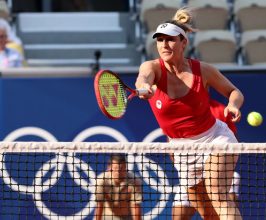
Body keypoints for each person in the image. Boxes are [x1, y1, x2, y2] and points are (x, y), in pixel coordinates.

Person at [135, 6, 244, 220]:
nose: (164, 45)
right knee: (204, 209)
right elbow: (143, 78)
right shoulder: (152, 68)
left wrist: (233, 105)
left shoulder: (203, 70)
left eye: (171, 39)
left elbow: (234, 92)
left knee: (218, 194)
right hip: (181, 149)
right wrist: (145, 86)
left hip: (215, 138)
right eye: (160, 40)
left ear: (184, 42)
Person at [172, 100, 240, 220]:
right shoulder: (180, 109)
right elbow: (172, 145)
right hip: (190, 167)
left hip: (215, 166)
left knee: (221, 201)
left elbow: (231, 142)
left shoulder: (221, 109)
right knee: (181, 217)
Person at [94, 154, 142, 220]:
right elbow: (99, 205)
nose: (118, 172)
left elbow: (136, 206)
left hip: (127, 217)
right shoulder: (101, 181)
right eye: (115, 168)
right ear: (109, 168)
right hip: (107, 216)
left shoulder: (134, 181)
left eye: (122, 168)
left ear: (126, 168)